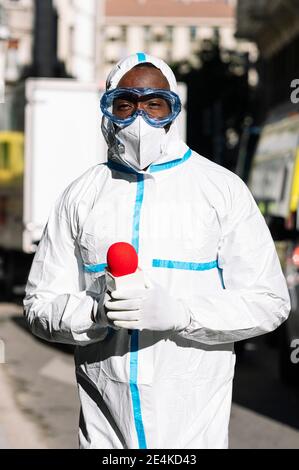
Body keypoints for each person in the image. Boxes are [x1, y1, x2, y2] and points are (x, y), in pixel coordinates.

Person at [24, 53, 290, 449]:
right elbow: (38, 306)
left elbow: (269, 302)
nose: (139, 118)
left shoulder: (221, 190)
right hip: (105, 435)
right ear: (110, 110)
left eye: (154, 104)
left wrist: (184, 315)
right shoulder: (81, 196)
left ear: (172, 111)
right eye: (126, 104)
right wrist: (94, 313)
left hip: (193, 438)